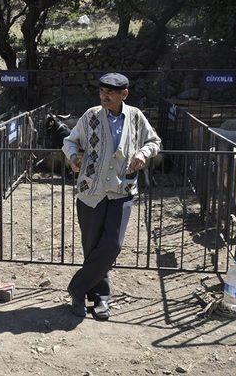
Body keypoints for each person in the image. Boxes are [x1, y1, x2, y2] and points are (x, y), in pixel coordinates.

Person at [62, 73, 161, 319]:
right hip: (91, 191)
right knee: (92, 246)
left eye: (110, 93)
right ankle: (99, 297)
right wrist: (73, 158)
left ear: (124, 94)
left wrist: (143, 153)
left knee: (112, 245)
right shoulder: (91, 116)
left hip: (122, 190)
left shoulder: (136, 117)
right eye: (102, 91)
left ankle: (77, 288)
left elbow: (154, 141)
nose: (104, 96)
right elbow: (70, 141)